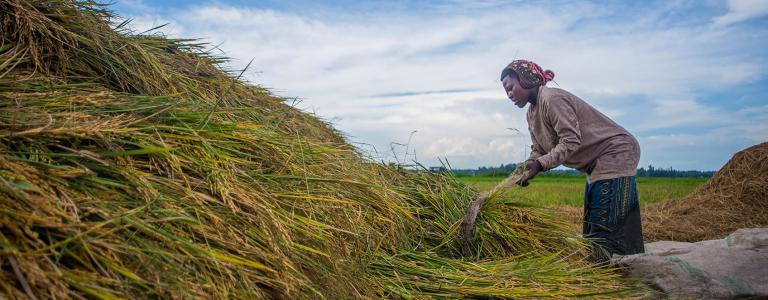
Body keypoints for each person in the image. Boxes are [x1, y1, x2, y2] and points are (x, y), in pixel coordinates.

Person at [500, 59, 644, 261]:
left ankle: (608, 275)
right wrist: (530, 164)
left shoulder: (551, 99)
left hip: (615, 151)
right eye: (506, 91)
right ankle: (614, 265)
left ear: (526, 79)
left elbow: (571, 141)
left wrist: (540, 165)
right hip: (595, 162)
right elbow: (539, 149)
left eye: (511, 87)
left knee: (602, 222)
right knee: (593, 225)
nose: (509, 94)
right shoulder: (531, 114)